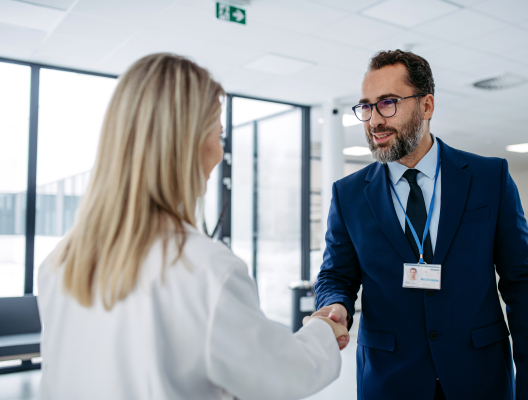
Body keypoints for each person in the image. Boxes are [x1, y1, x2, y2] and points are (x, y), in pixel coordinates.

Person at [37, 53, 348, 400]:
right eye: (217, 134)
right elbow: (284, 377)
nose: (219, 152)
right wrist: (322, 330)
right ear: (186, 144)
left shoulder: (59, 263)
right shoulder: (206, 271)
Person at [313, 50, 528, 399]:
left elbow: (525, 285)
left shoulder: (489, 178)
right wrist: (335, 302)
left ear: (426, 106)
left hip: (480, 379)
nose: (374, 120)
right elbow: (336, 274)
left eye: (388, 103)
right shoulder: (349, 194)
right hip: (390, 381)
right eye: (366, 106)